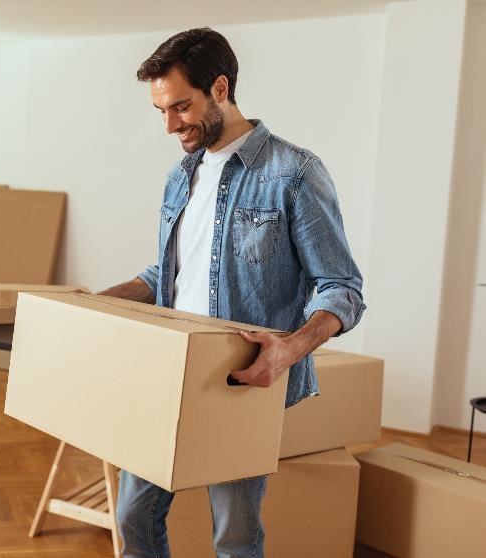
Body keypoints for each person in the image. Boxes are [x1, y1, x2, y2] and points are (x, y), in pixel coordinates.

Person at [98, 27, 366, 558]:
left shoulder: (294, 173)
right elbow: (168, 275)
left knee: (235, 535)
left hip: (240, 384)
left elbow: (343, 289)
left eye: (180, 107)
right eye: (161, 112)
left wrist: (288, 349)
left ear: (220, 88)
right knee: (132, 517)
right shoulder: (181, 177)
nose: (171, 125)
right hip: (165, 369)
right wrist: (93, 301)